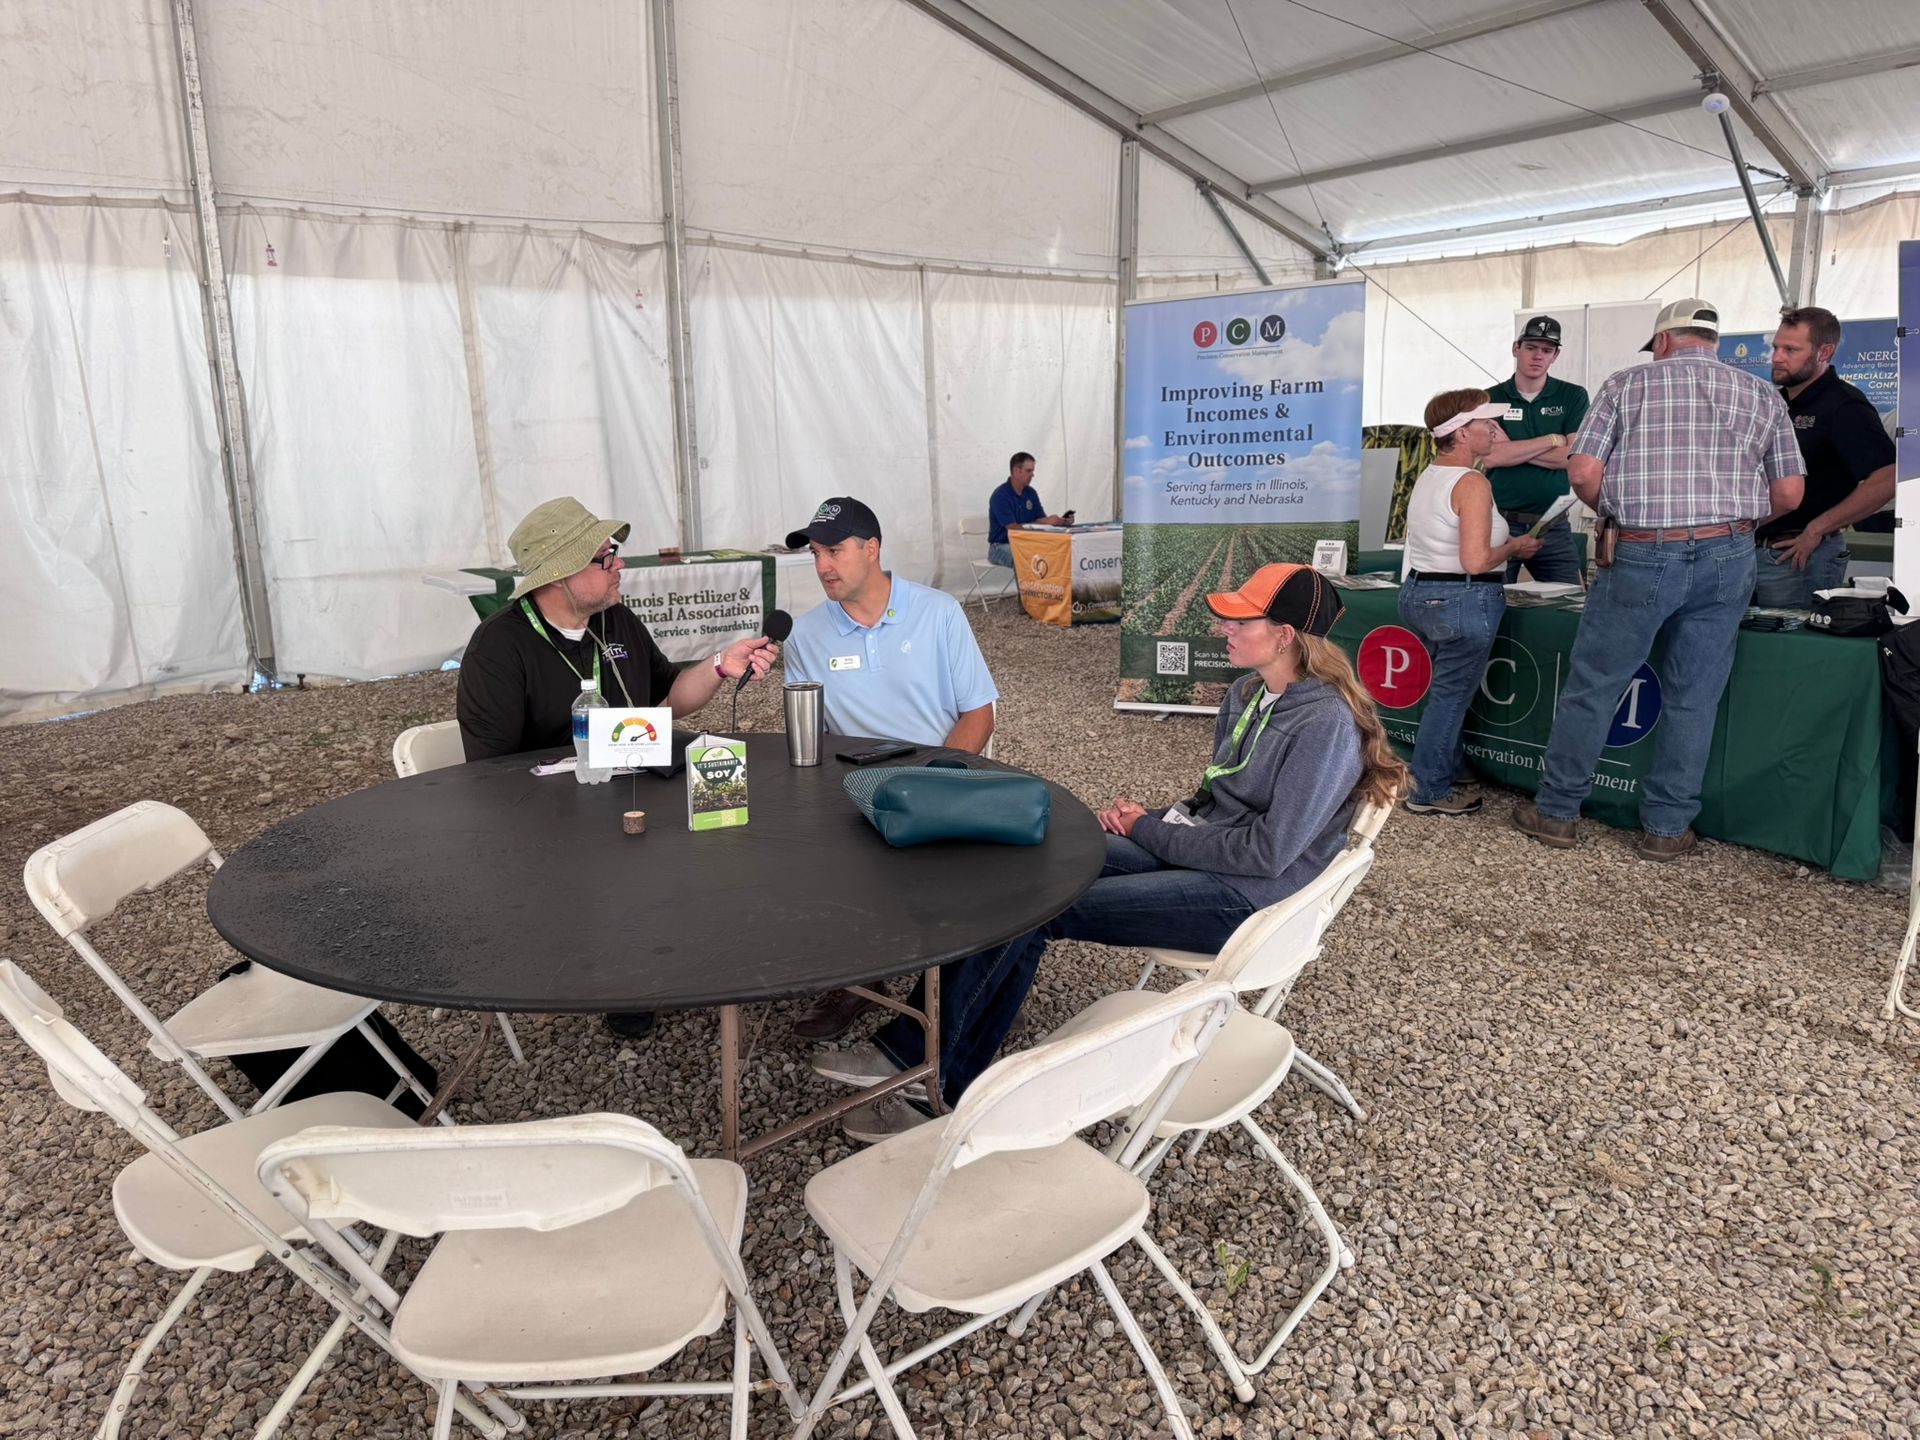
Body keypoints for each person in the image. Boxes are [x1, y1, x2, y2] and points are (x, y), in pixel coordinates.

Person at [809, 564, 1406, 1141]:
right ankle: (929, 1043)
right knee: (1026, 861)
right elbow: (1213, 798)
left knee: (1040, 906)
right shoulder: (1251, 690)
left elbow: (1267, 854)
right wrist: (1147, 819)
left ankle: (939, 1083)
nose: (1223, 630)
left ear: (1285, 637)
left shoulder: (1324, 723)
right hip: (1204, 856)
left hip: (1246, 899)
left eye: (1238, 622)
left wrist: (1146, 831)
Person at [456, 496, 781, 1039]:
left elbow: (670, 698)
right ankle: (626, 972)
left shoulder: (617, 620)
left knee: (734, 817)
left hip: (637, 797)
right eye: (605, 558)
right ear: (559, 574)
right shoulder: (498, 650)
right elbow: (490, 780)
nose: (620, 566)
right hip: (555, 830)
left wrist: (722, 665)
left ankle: (702, 949)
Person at [1514, 299, 1804, 862]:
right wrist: (1733, 526)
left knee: (1596, 685)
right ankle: (1667, 829)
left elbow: (1582, 470)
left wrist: (1617, 516)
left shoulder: (1627, 384)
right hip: (1730, 552)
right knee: (1695, 695)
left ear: (1664, 341)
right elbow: (1790, 494)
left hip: (1645, 549)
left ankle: (1556, 813)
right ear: (1712, 342)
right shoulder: (1763, 393)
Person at [779, 495, 1000, 1041]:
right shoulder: (805, 635)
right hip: (856, 788)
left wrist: (938, 785)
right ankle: (858, 982)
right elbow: (814, 738)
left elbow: (980, 713)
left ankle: (965, 986)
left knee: (961, 884)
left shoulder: (938, 612)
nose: (822, 566)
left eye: (833, 550)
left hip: (942, 777)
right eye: (814, 553)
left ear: (871, 549)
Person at [1397, 391, 1542, 816]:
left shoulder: (1430, 474)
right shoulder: (1472, 482)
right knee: (1451, 696)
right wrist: (1514, 546)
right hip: (1462, 598)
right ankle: (1428, 790)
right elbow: (1476, 559)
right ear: (1462, 432)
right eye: (1486, 424)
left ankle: (1449, 767)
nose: (1495, 430)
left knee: (1444, 691)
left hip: (1422, 594)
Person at [1752, 307, 1897, 608]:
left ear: (1824, 352)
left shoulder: (1844, 406)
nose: (1777, 357)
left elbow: (1887, 477)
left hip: (1799, 557)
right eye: (1776, 347)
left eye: (1791, 349)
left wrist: (1818, 528)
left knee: (1791, 652)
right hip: (1752, 550)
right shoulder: (1776, 402)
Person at [1483, 315, 1589, 584]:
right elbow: (1493, 456)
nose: (1538, 356)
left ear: (1555, 355)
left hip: (1552, 523)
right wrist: (1552, 439)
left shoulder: (1573, 395)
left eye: (1546, 350)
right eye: (1531, 347)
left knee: (1568, 604)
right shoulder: (1490, 398)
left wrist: (1512, 449)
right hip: (1500, 522)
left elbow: (1571, 458)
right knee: (1491, 602)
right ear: (1516, 348)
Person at [986, 452, 1065, 568]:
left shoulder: (1031, 493)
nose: (1033, 475)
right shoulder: (1000, 495)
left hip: (1027, 543)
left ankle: (1049, 586)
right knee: (1029, 558)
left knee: (1057, 551)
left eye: (1033, 471)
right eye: (1029, 471)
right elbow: (1013, 528)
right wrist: (1043, 522)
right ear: (1016, 471)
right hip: (1000, 546)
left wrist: (1060, 521)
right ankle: (1030, 587)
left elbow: (1041, 519)